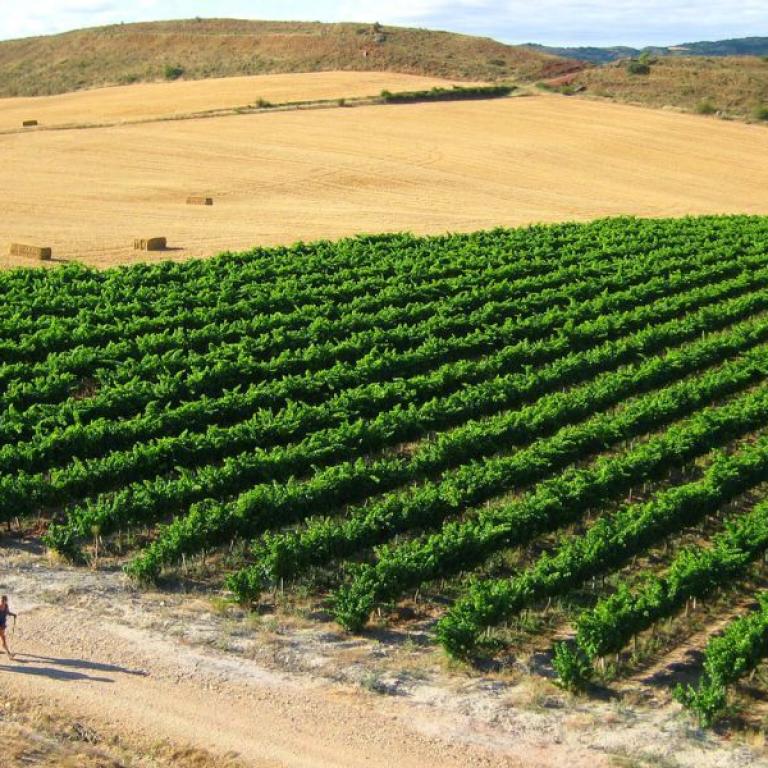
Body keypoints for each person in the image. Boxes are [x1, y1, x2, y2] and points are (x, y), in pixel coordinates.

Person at [0, 595, 17, 660]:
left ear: (5, 601)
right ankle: (9, 655)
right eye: (1, 600)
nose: (1, 602)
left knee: (3, 638)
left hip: (3, 625)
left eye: (2, 601)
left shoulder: (6, 606)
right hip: (0, 626)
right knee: (3, 639)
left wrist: (13, 614)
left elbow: (7, 613)